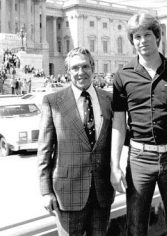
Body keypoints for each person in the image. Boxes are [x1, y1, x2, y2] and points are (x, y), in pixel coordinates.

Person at [110, 12, 167, 236]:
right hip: (140, 159)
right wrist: (115, 165)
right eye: (137, 36)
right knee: (135, 226)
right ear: (132, 41)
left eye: (147, 35)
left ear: (158, 36)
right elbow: (119, 124)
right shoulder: (123, 76)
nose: (142, 41)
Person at [37, 47, 114, 236]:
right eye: (75, 68)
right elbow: (44, 151)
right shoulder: (53, 102)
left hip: (101, 192)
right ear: (68, 72)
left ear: (93, 68)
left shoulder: (109, 100)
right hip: (67, 193)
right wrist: (46, 192)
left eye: (85, 66)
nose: (81, 72)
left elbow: (122, 137)